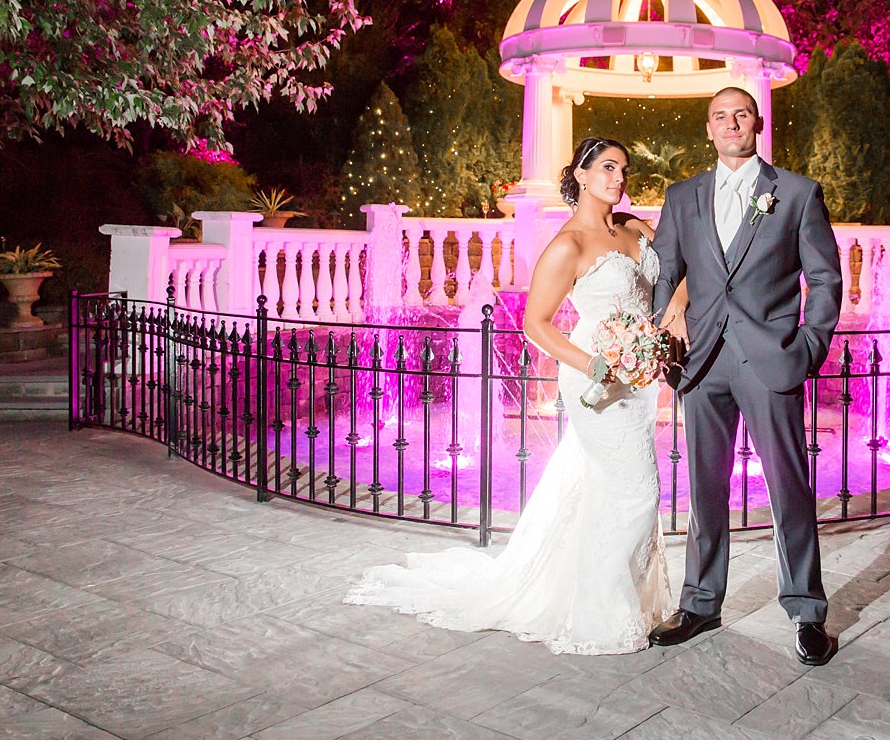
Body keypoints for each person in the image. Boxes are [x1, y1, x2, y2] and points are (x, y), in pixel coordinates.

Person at [344, 137, 677, 655]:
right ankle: (601, 613)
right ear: (582, 175)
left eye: (624, 170)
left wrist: (669, 319)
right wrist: (594, 363)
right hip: (597, 374)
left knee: (609, 490)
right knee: (639, 490)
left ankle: (622, 597)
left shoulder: (634, 227)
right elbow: (535, 324)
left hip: (639, 374)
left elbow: (676, 276)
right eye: (608, 168)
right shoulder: (569, 245)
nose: (619, 178)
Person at [648, 86, 844, 666]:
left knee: (788, 488)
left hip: (770, 358)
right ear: (707, 129)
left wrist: (809, 345)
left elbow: (825, 279)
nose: (730, 123)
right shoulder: (682, 196)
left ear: (756, 122)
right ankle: (701, 603)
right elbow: (665, 273)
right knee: (703, 489)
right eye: (719, 116)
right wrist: (666, 337)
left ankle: (807, 611)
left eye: (740, 114)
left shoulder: (798, 194)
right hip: (702, 360)